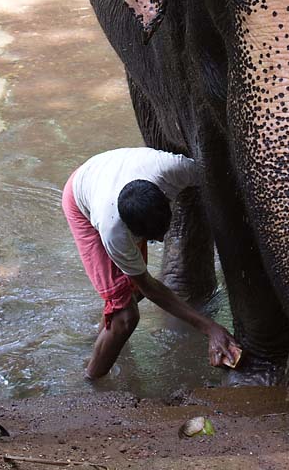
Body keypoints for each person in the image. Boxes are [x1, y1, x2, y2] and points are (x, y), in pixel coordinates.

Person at [62, 147, 241, 379]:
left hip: (105, 172)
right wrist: (210, 328)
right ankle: (91, 382)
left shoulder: (174, 170)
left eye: (161, 232)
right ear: (130, 230)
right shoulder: (112, 230)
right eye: (149, 237)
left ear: (165, 199)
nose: (158, 240)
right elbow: (149, 286)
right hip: (79, 198)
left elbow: (220, 176)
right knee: (126, 316)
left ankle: (103, 338)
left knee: (132, 293)